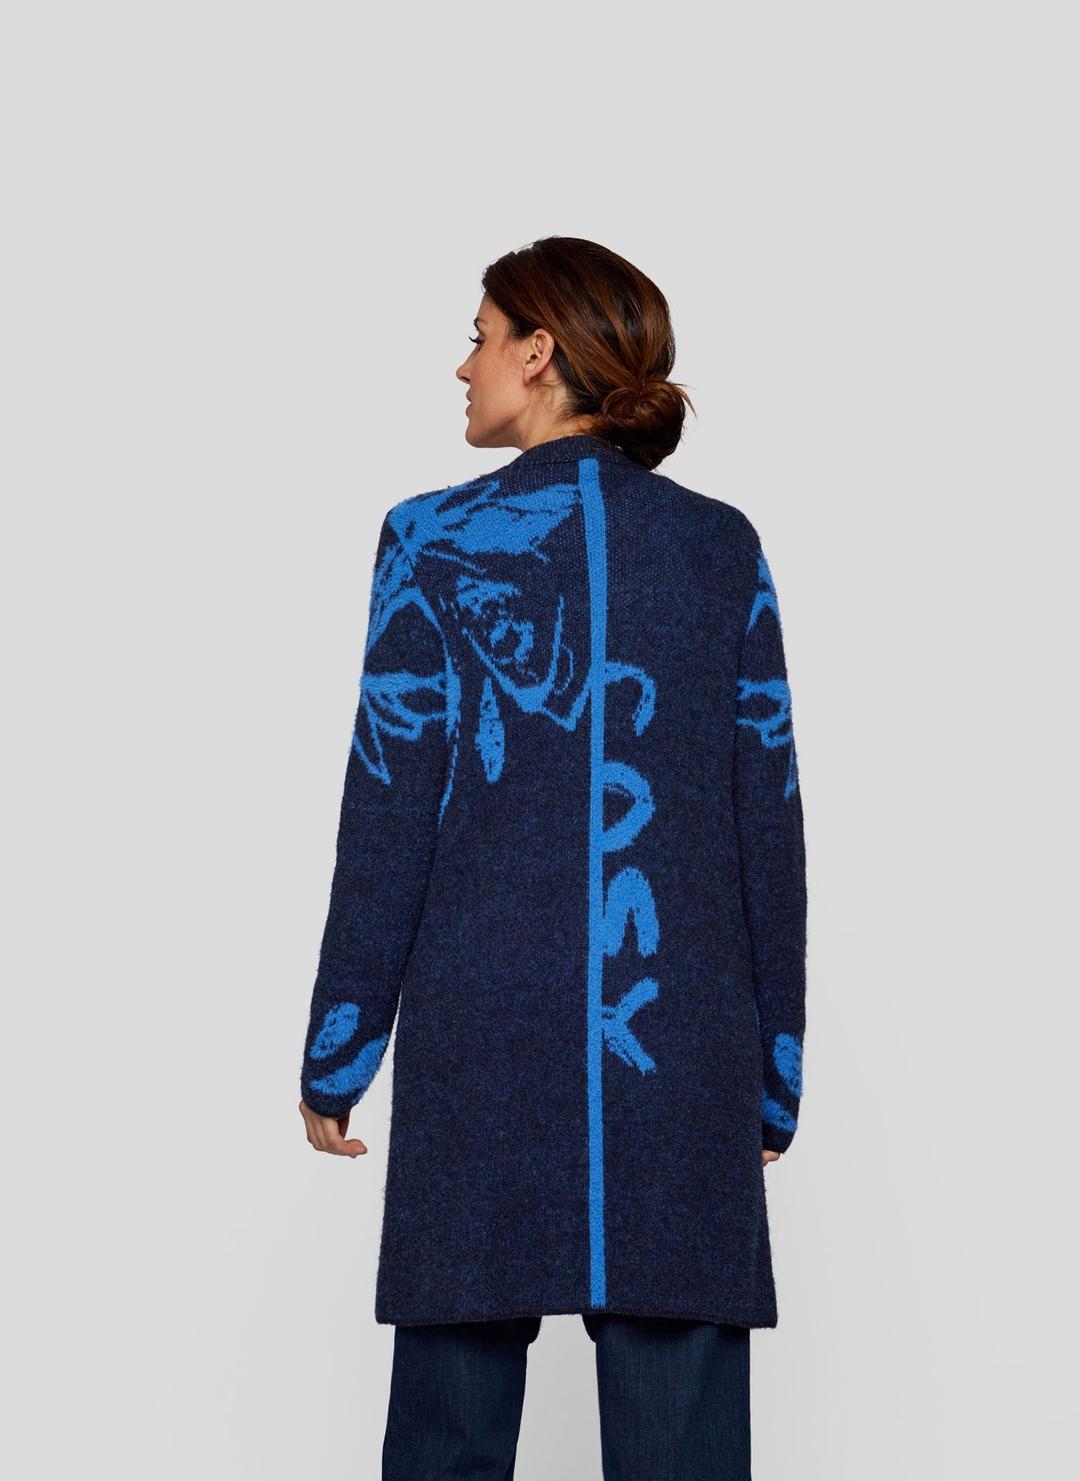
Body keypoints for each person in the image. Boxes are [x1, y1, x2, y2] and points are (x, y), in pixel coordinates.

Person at [297, 236, 808, 1480]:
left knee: (448, 1438)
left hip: (485, 1034)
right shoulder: (720, 547)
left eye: (478, 336)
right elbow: (769, 818)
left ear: (539, 353)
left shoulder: (430, 539)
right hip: (676, 1039)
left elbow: (388, 806)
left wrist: (338, 1049)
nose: (461, 365)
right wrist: (773, 1070)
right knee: (684, 1446)